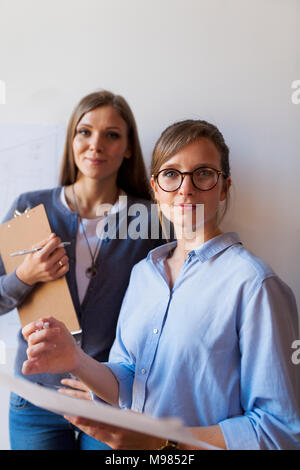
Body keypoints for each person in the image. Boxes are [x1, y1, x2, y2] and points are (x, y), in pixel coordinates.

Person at [22, 119, 300, 450]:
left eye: (203, 173)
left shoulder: (255, 284)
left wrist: (163, 442)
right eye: (171, 174)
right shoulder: (144, 273)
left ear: (224, 186)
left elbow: (278, 431)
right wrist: (76, 360)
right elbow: (130, 377)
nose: (185, 189)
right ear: (155, 187)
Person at [0, 90, 166, 450]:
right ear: (72, 140)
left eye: (112, 135)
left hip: (109, 401)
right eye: (85, 131)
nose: (96, 145)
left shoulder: (149, 219)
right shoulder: (29, 207)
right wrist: (25, 275)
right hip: (36, 400)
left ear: (128, 148)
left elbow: (164, 316)